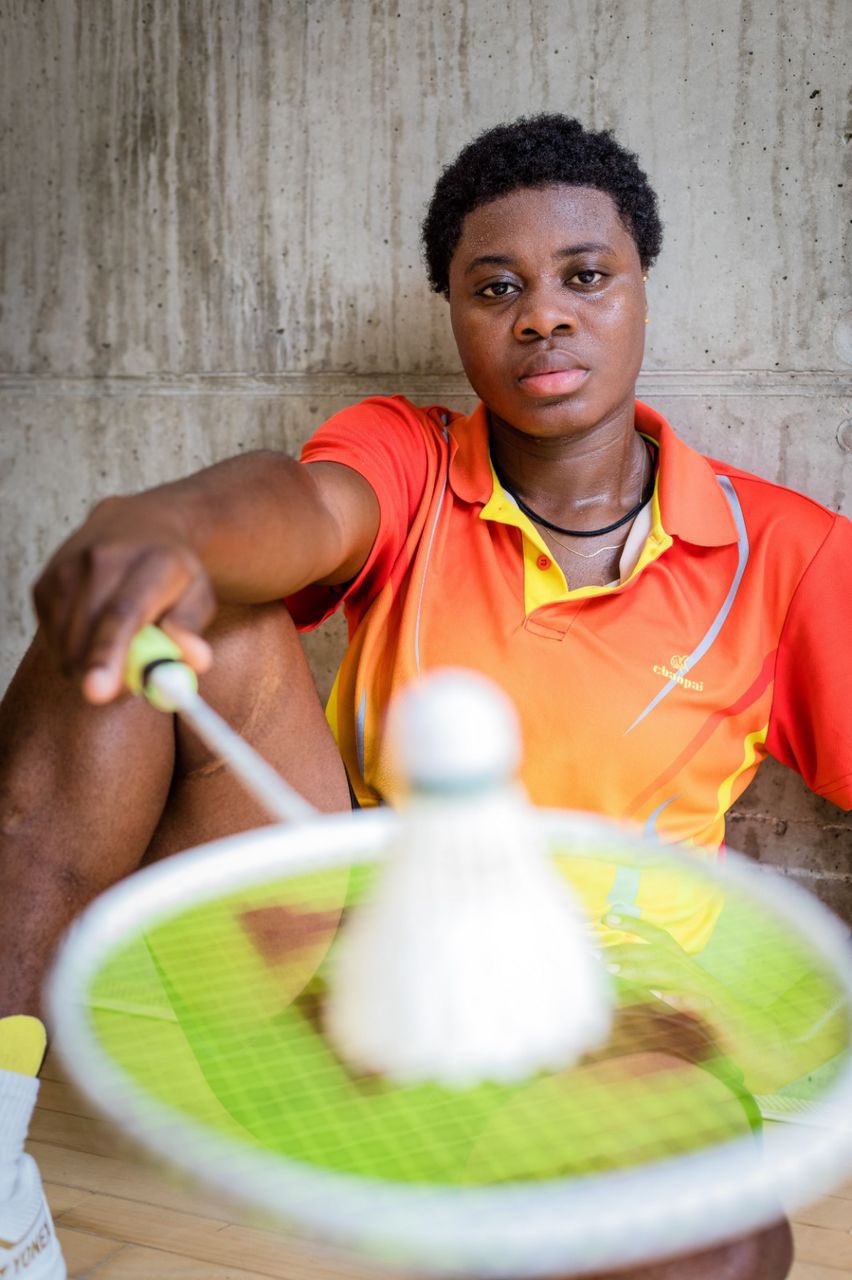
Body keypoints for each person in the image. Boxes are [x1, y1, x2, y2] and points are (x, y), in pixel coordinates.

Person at [2, 112, 849, 1280]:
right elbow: (300, 506)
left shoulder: (784, 554)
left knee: (721, 1253)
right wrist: (167, 528)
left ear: (641, 287)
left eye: (584, 277)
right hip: (339, 976)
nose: (542, 313)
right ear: (454, 313)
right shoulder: (404, 453)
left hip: (596, 1021)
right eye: (495, 287)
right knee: (152, 604)